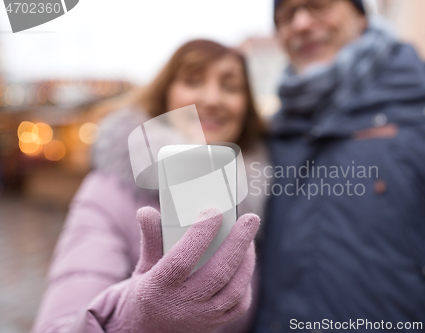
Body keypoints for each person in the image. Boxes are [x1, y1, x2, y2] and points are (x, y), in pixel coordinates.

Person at [251, 0, 425, 332]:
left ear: (361, 17)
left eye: (318, 6)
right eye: (285, 16)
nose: (301, 23)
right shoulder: (274, 131)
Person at [31, 39, 270, 333]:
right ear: (165, 95)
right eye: (193, 81)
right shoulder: (110, 191)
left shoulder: (259, 192)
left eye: (231, 87)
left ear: (246, 109)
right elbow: (56, 326)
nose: (212, 98)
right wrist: (138, 316)